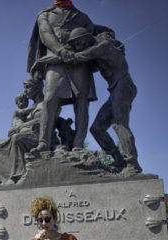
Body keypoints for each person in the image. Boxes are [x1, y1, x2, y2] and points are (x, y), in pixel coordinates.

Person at [65, 27, 142, 174]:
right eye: (75, 45)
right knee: (97, 128)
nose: (78, 47)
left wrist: (56, 55)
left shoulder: (103, 47)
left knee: (120, 124)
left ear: (88, 37)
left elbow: (77, 57)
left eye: (79, 42)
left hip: (123, 85)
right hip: (115, 90)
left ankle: (133, 164)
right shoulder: (98, 52)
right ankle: (119, 160)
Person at [27, 0, 97, 152]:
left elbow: (91, 33)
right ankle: (44, 142)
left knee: (82, 101)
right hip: (55, 59)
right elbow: (46, 34)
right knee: (50, 99)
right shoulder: (45, 14)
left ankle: (78, 144)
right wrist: (60, 50)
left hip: (78, 60)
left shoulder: (82, 17)